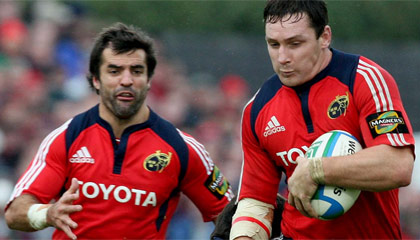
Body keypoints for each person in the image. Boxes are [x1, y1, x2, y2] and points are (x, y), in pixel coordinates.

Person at [5, 22, 234, 239]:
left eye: (136, 71)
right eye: (114, 71)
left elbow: (232, 219)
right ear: (96, 79)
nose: (126, 80)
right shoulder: (67, 138)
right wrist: (47, 214)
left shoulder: (181, 148)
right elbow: (15, 212)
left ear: (149, 79)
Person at [229, 0, 415, 239]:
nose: (282, 57)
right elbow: (256, 202)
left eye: (295, 44)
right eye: (273, 44)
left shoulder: (364, 79)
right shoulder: (257, 109)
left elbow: (398, 166)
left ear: (325, 36)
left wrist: (316, 169)